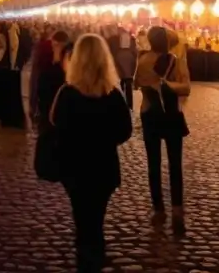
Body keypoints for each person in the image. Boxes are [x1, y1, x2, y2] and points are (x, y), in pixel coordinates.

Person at [51, 35, 133, 272]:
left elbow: (56, 122)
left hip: (74, 169)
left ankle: (85, 260)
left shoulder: (67, 94)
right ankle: (94, 259)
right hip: (103, 168)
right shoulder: (113, 95)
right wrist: (104, 140)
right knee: (96, 220)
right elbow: (124, 131)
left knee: (82, 219)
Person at [136, 26, 191, 236]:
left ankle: (158, 208)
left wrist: (156, 85)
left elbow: (138, 83)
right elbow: (186, 87)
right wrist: (168, 86)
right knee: (175, 164)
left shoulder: (142, 61)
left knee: (154, 163)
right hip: (171, 114)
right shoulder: (175, 61)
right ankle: (177, 210)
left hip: (150, 113)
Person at [110, 27, 139, 112]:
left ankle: (125, 104)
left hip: (122, 59)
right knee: (127, 83)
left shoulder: (115, 39)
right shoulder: (131, 39)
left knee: (123, 82)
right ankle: (129, 105)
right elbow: (135, 52)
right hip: (128, 60)